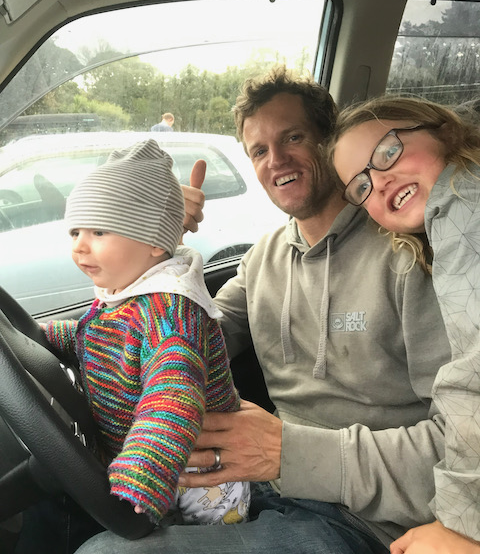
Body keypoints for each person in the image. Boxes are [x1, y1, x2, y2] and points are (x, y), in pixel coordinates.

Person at [77, 68, 451, 554]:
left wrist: (287, 452)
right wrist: (157, 243)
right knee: (74, 504)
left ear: (328, 141)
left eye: (292, 137)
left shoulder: (410, 255)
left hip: (364, 520)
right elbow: (184, 338)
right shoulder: (263, 258)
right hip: (262, 485)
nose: (276, 160)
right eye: (258, 150)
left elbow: (461, 447)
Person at [41, 140, 249, 531]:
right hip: (148, 457)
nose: (79, 246)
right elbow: (101, 339)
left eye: (99, 231)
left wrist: (144, 467)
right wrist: (47, 336)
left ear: (154, 241)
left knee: (210, 539)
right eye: (75, 231)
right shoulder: (124, 294)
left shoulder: (172, 312)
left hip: (200, 474)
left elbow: (173, 392)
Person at [330, 95, 480, 552]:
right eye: (361, 186)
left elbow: (474, 376)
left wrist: (462, 525)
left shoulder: (463, 198)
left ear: (444, 130)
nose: (379, 181)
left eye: (389, 151)